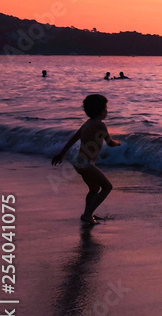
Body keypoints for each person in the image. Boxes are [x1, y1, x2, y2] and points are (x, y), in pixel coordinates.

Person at [51, 94, 120, 226]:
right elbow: (110, 143)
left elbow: (73, 139)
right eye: (106, 108)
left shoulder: (87, 123)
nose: (107, 111)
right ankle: (88, 214)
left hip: (78, 162)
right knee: (107, 187)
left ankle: (87, 215)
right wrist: (118, 142)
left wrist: (61, 154)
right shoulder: (100, 125)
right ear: (101, 111)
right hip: (86, 164)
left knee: (94, 188)